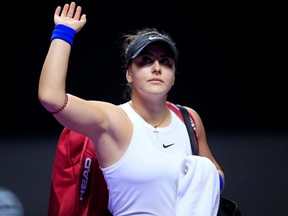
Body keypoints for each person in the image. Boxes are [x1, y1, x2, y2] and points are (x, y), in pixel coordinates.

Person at [38, 2, 225, 215]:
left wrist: (206, 181)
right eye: (145, 61)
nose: (156, 68)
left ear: (173, 76)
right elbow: (51, 97)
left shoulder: (189, 118)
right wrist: (64, 32)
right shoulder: (113, 120)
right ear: (129, 74)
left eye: (165, 62)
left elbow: (214, 171)